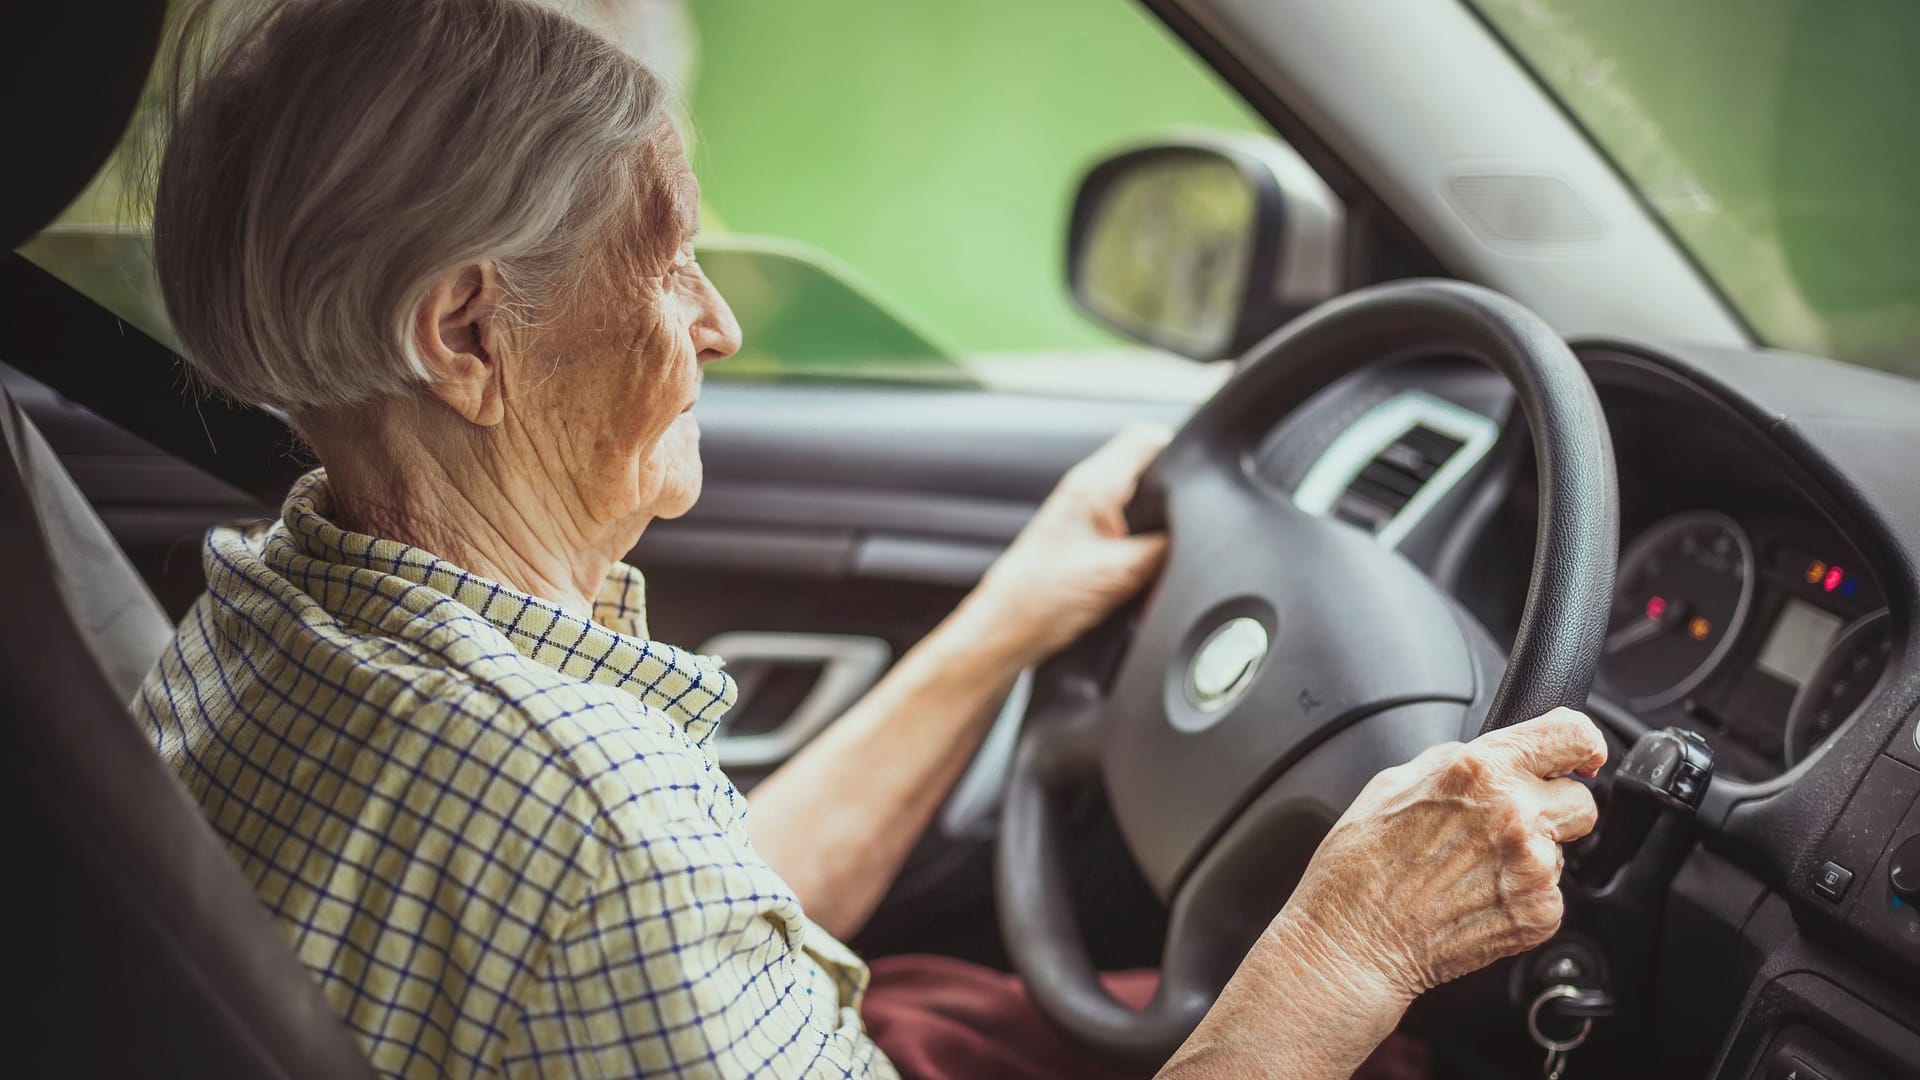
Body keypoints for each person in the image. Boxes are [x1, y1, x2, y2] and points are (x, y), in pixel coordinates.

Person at [134, 0, 1606, 1076]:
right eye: (666, 264)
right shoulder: (586, 815)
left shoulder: (268, 610)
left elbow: (677, 916)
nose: (715, 324)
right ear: (469, 337)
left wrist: (1004, 624)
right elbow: (624, 883)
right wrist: (1357, 942)